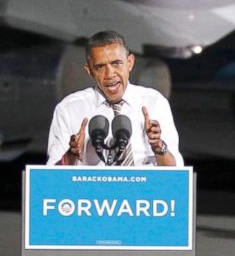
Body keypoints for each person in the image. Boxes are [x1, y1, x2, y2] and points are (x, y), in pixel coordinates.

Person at [46, 31, 180, 166]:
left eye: (116, 63)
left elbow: (176, 175)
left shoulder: (154, 102)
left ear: (130, 62)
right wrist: (71, 155)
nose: (110, 74)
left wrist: (158, 147)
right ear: (89, 70)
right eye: (100, 67)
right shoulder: (69, 109)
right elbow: (51, 179)